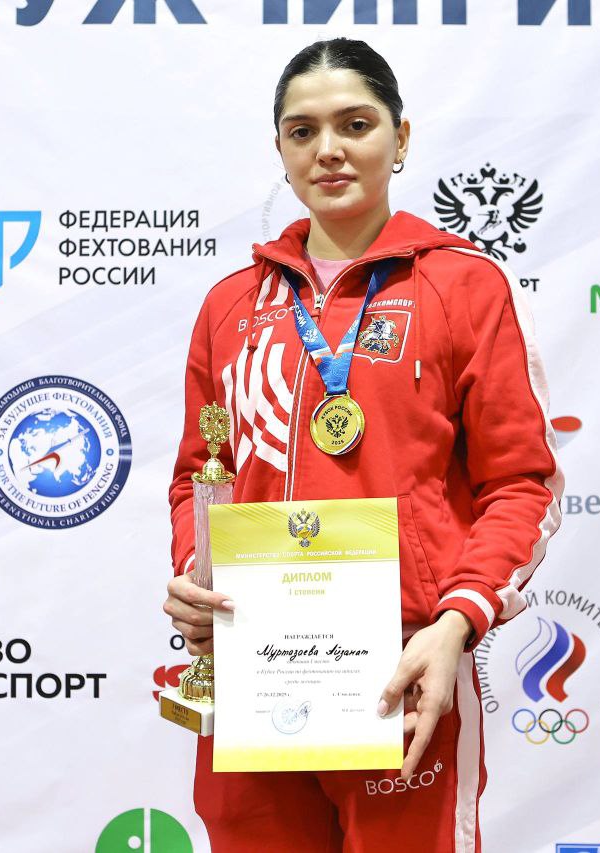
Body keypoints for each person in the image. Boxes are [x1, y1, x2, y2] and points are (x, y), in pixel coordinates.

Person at [163, 37, 563, 853]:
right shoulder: (231, 305)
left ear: (401, 138)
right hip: (254, 672)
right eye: (302, 131)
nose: (329, 149)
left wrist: (455, 623)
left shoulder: (462, 284)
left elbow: (523, 483)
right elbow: (199, 478)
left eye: (355, 124)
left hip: (403, 671)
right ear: (280, 150)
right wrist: (199, 580)